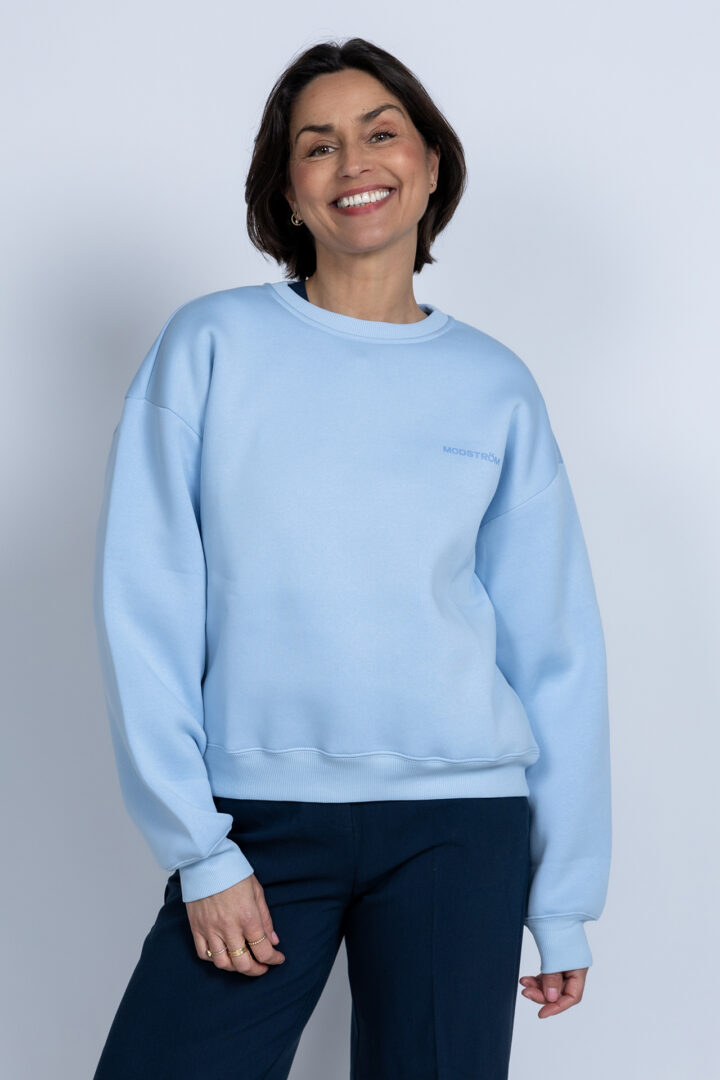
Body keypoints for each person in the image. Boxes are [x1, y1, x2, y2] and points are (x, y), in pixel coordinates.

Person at [91, 36, 612, 1080]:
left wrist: (562, 900)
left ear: (429, 162)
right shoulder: (211, 346)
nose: (354, 163)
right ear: (288, 190)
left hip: (461, 830)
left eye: (381, 133)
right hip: (257, 819)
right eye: (317, 145)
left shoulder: (495, 384)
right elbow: (145, 601)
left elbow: (554, 647)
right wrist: (199, 847)